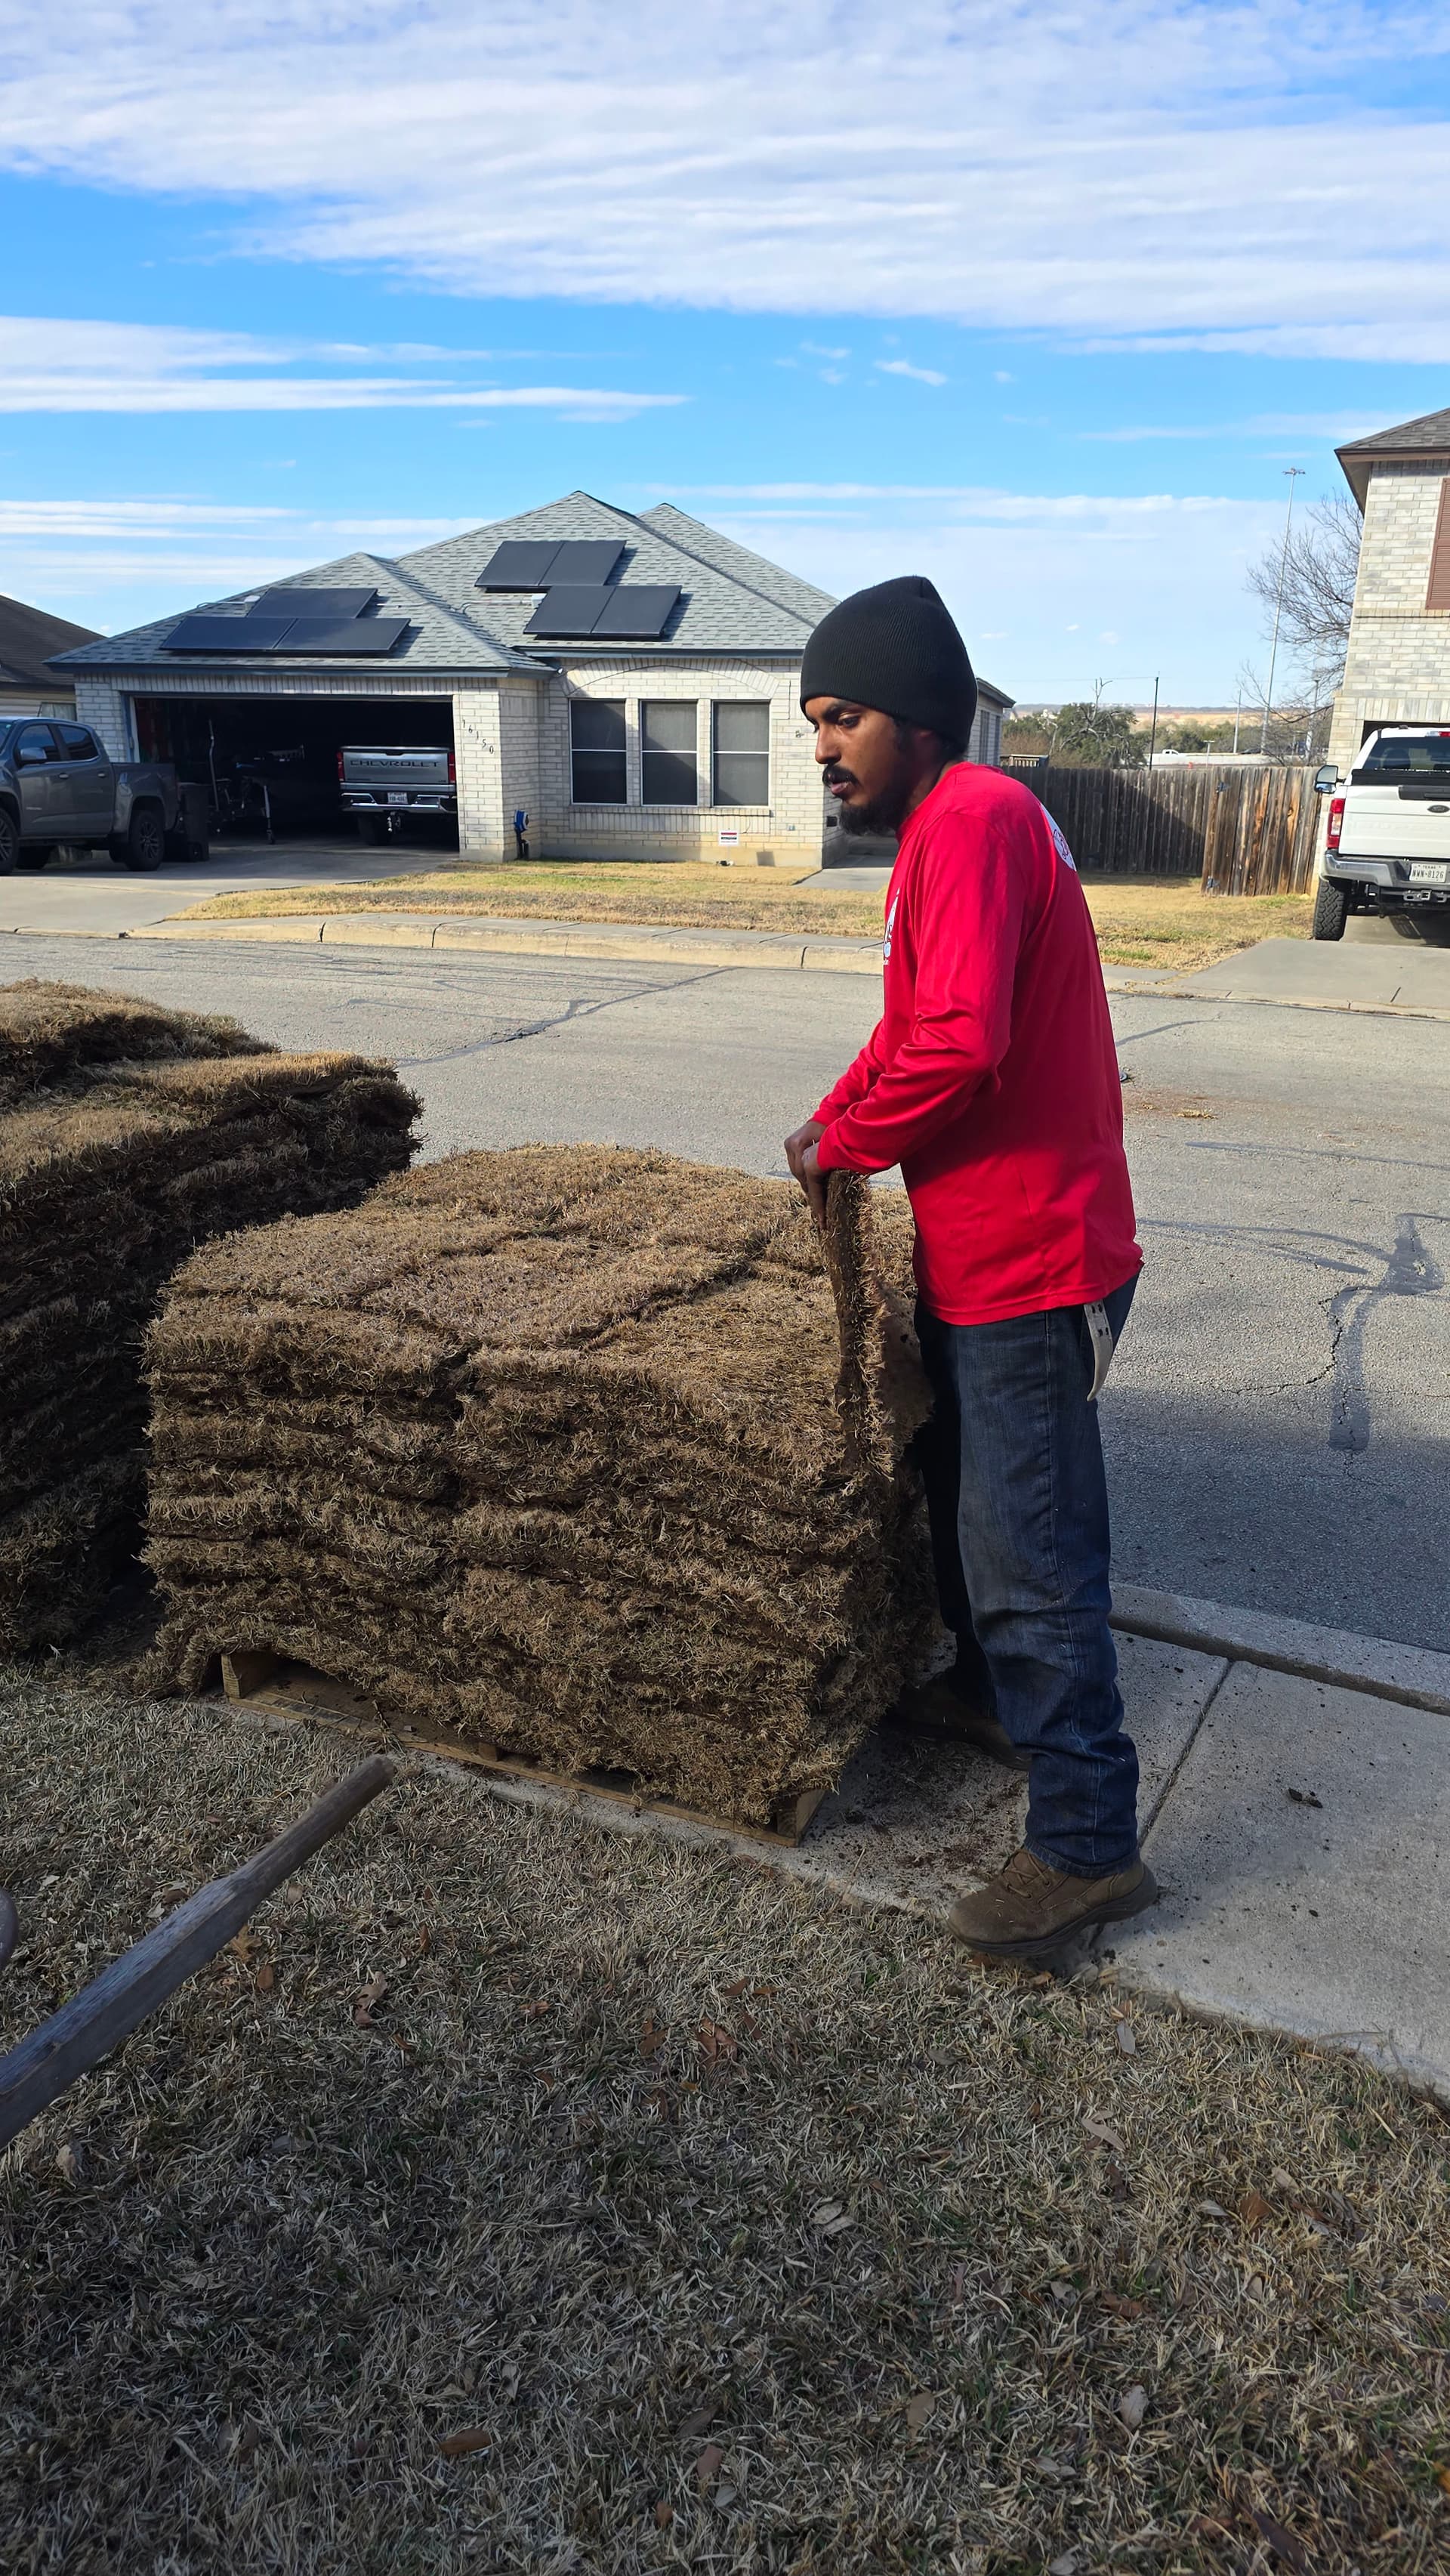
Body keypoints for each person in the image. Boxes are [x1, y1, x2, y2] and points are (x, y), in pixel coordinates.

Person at [784, 575, 1155, 1960]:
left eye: (844, 717)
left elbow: (961, 1043)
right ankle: (997, 1699)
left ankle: (1087, 1846)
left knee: (1029, 1557)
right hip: (979, 1244)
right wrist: (831, 1118)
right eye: (815, 723)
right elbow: (912, 1026)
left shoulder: (978, 819)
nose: (824, 747)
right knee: (959, 1501)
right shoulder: (942, 832)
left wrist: (851, 1142)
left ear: (920, 716)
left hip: (1034, 1258)